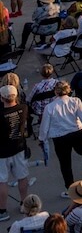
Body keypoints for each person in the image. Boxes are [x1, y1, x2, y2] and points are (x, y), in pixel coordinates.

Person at [37, 80, 82, 192]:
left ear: (56, 92)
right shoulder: (75, 101)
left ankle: (70, 188)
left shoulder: (50, 107)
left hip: (59, 137)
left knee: (65, 164)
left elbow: (44, 126)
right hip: (76, 132)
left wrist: (42, 139)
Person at [0, 84, 29, 223]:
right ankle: (24, 203)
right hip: (19, 147)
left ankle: (2, 210)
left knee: (2, 181)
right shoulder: (23, 108)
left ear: (2, 98)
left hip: (2, 151)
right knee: (22, 177)